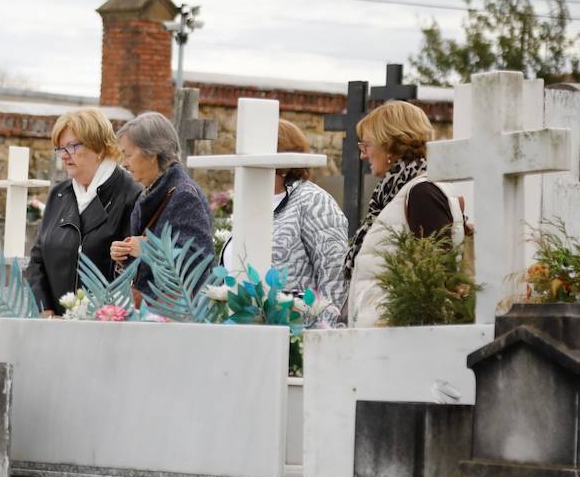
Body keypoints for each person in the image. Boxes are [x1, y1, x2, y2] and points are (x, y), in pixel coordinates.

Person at [343, 101, 464, 327]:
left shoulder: (421, 193)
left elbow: (435, 277)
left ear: (389, 144)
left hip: (401, 338)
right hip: (385, 333)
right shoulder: (397, 192)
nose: (363, 155)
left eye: (366, 145)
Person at [221, 120, 348, 324]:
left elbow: (334, 278)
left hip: (295, 335)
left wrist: (319, 338)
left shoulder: (313, 201)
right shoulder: (250, 201)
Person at [26, 108, 142, 314]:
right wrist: (45, 309)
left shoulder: (131, 195)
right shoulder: (58, 195)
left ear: (98, 147)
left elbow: (134, 268)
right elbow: (38, 260)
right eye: (60, 148)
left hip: (106, 326)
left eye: (71, 146)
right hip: (54, 324)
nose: (63, 155)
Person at [109, 112, 212, 297]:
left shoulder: (183, 195)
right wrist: (125, 254)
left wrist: (148, 249)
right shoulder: (150, 192)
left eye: (128, 155)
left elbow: (199, 262)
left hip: (175, 316)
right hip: (155, 313)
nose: (124, 164)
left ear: (151, 153)